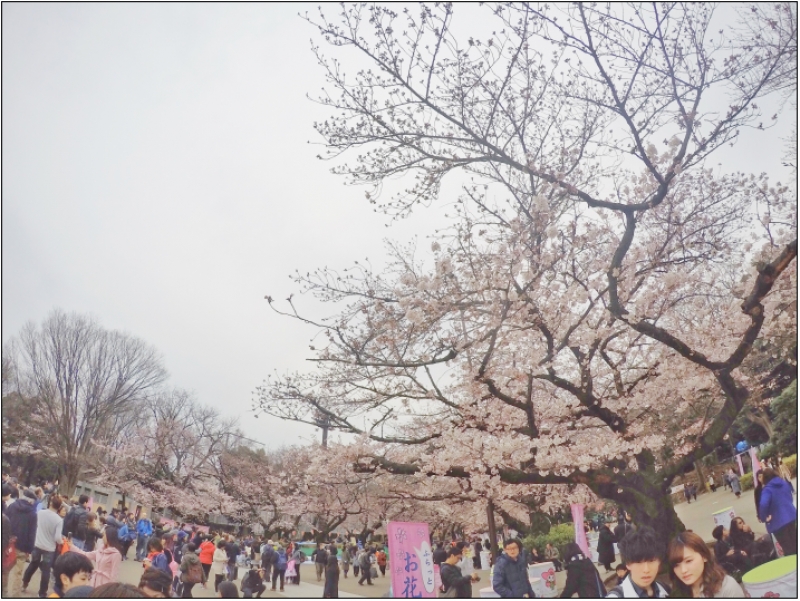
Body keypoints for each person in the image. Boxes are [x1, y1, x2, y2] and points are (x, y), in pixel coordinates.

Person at [667, 531, 744, 597]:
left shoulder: (726, 587)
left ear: (704, 556)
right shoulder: (676, 592)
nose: (683, 570)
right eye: (676, 565)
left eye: (689, 561)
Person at [605, 526, 670, 598]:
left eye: (651, 561)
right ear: (628, 564)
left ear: (659, 562)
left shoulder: (665, 589)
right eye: (639, 562)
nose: (646, 570)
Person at [22, 494, 64, 597]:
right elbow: (57, 538)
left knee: (33, 564)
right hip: (49, 549)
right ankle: (42, 593)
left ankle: (25, 583)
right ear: (59, 507)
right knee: (46, 571)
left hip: (37, 544)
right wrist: (62, 542)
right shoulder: (59, 520)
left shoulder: (40, 513)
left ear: (50, 503)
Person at [757, 466, 797, 556]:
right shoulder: (783, 483)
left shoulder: (767, 489)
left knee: (788, 548)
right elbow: (790, 496)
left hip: (778, 522)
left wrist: (764, 517)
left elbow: (763, 504)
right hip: (791, 516)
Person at [6, 487, 38, 597]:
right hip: (22, 546)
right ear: (31, 501)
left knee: (4, 569)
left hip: (8, 543)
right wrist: (29, 549)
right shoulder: (33, 514)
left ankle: (3, 592)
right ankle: (15, 596)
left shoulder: (12, 506)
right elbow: (32, 533)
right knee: (18, 573)